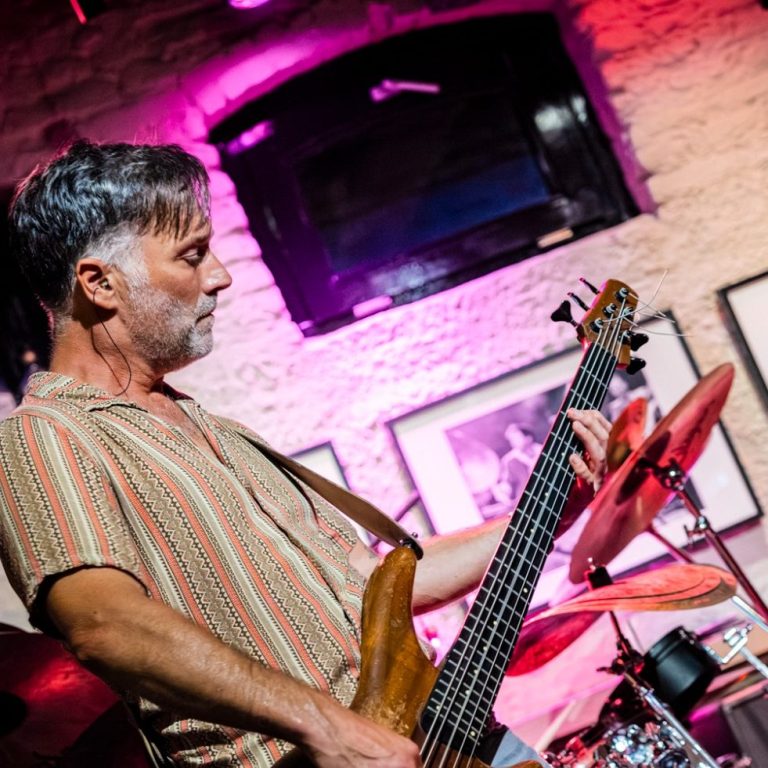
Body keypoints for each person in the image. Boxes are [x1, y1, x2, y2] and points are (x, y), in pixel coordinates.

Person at [0, 141, 611, 767]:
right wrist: (327, 727)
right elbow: (105, 624)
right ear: (100, 283)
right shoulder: (44, 436)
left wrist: (546, 515)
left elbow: (372, 587)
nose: (220, 275)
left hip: (445, 738)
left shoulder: (222, 432)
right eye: (192, 254)